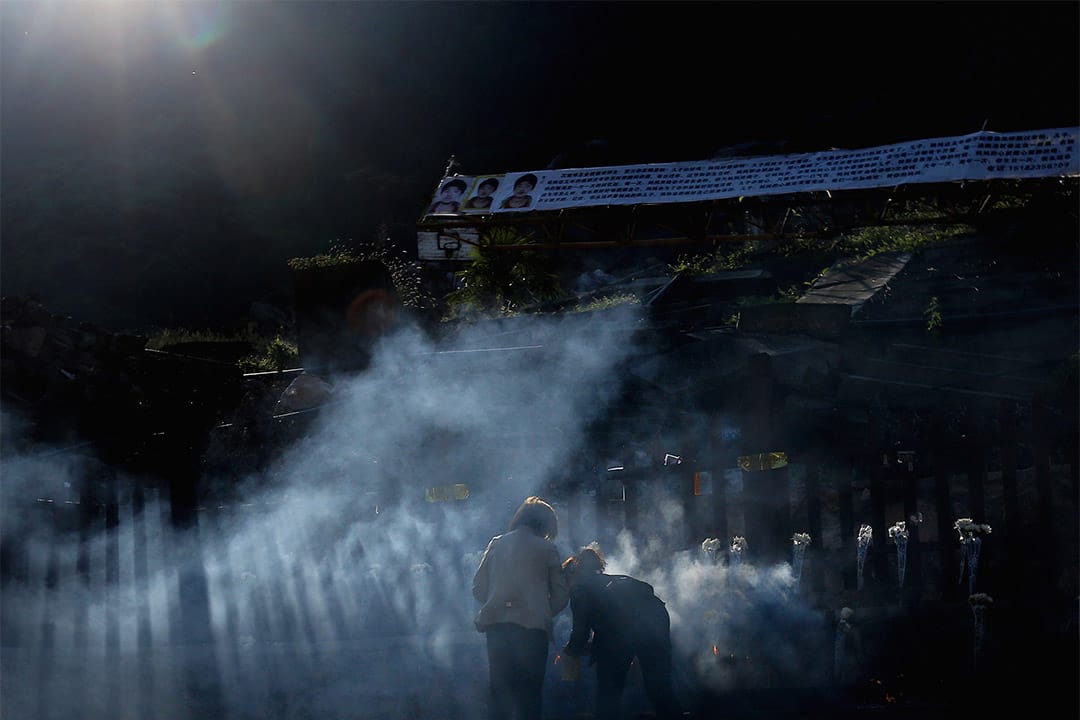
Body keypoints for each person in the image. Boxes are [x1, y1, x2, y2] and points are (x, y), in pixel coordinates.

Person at [473, 496, 570, 720]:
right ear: (545, 525)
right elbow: (561, 594)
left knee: (500, 694)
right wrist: (544, 610)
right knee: (530, 695)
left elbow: (478, 587)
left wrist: (497, 602)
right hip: (532, 630)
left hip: (497, 628)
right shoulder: (547, 549)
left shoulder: (497, 543)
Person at [560, 545, 682, 720]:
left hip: (624, 629)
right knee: (659, 687)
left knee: (609, 692)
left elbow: (581, 634)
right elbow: (606, 629)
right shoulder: (610, 582)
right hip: (655, 617)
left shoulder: (580, 589)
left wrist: (569, 652)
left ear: (572, 575)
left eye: (565, 582)